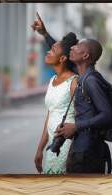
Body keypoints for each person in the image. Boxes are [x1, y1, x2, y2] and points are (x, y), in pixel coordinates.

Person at [32, 13, 112, 174]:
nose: (72, 48)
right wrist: (45, 34)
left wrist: (76, 126)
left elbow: (107, 114)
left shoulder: (88, 80)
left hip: (86, 151)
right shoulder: (82, 74)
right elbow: (60, 53)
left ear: (85, 56)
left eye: (77, 47)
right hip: (75, 148)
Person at [34, 32, 79, 174]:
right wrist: (40, 149)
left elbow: (82, 117)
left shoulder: (74, 82)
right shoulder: (52, 80)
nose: (48, 52)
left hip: (67, 145)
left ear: (63, 58)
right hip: (53, 146)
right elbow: (50, 115)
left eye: (52, 50)